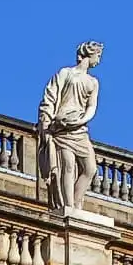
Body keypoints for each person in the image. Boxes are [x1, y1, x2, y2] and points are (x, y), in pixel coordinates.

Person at [38, 44, 103, 219]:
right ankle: (68, 207)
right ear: (90, 54)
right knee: (67, 166)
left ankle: (74, 203)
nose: (99, 59)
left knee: (90, 169)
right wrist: (46, 122)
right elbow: (50, 97)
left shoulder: (93, 82)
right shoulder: (65, 73)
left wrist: (81, 120)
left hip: (79, 128)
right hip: (61, 127)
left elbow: (92, 107)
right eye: (98, 55)